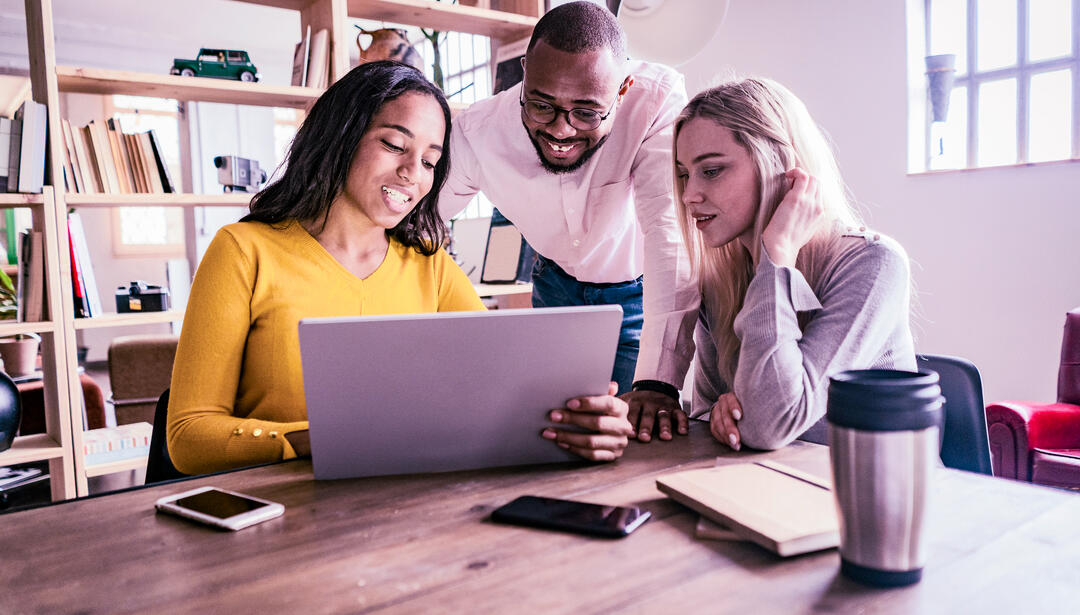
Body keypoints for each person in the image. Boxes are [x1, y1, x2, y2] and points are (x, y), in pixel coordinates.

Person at [167, 61, 630, 475]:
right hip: (282, 511)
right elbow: (188, 437)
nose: (413, 172)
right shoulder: (242, 252)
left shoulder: (431, 266)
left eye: (430, 161)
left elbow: (501, 393)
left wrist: (580, 420)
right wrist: (318, 439)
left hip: (402, 509)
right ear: (341, 135)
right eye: (394, 145)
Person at [440, 1, 697, 444]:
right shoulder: (478, 132)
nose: (561, 130)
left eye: (586, 112)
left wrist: (658, 382)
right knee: (555, 436)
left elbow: (668, 233)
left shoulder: (655, 103)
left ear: (623, 89)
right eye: (541, 105)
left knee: (631, 438)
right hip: (554, 288)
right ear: (525, 72)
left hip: (639, 296)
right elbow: (419, 219)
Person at [666, 78, 916, 450]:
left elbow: (768, 425)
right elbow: (706, 419)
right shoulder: (720, 283)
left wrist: (777, 256)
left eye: (712, 170)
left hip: (869, 482)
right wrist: (721, 413)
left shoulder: (874, 265)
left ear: (777, 163)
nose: (689, 195)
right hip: (770, 479)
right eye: (684, 174)